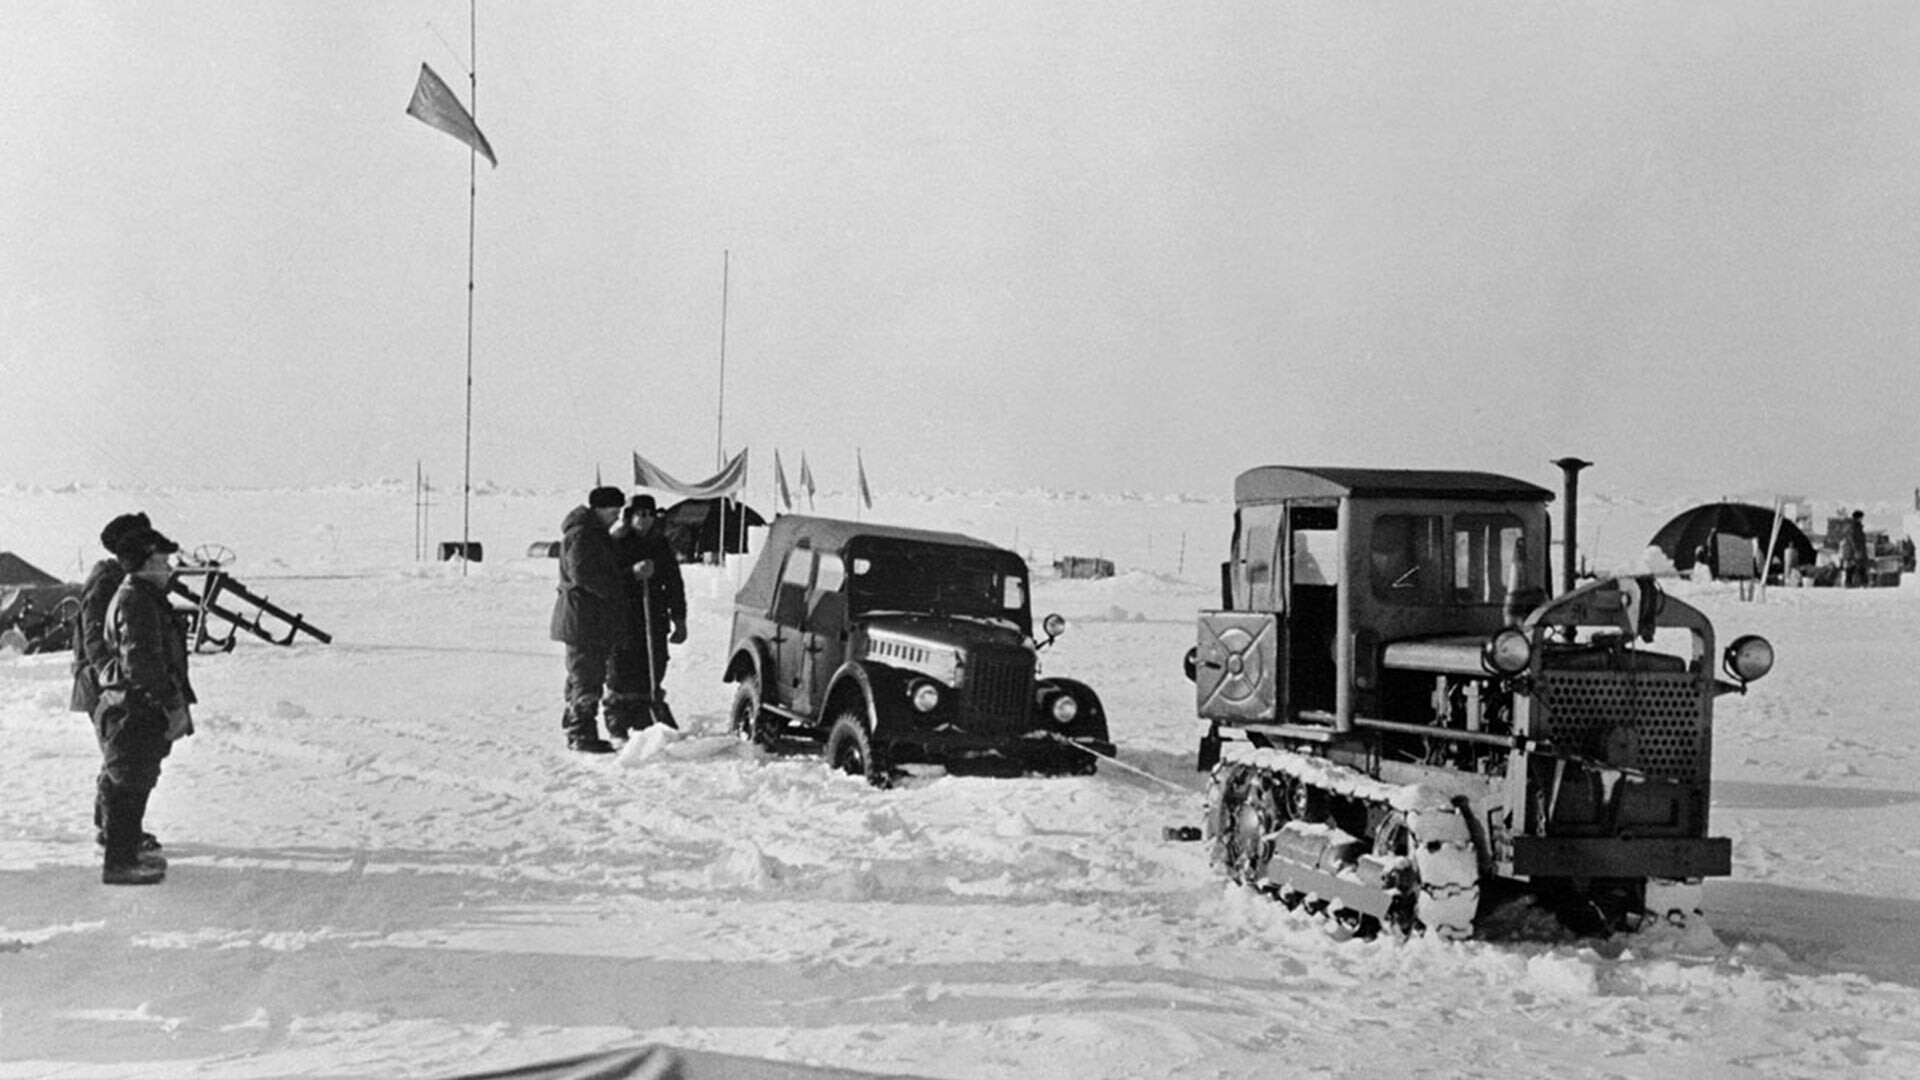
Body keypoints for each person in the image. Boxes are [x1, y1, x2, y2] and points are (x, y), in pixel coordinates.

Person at [93, 521, 195, 885]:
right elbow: (142, 663)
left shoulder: (140, 596)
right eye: (164, 561)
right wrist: (171, 704)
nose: (169, 568)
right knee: (129, 784)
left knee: (136, 779)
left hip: (136, 707)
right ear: (147, 562)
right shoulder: (136, 599)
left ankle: (127, 853)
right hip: (134, 709)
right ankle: (120, 864)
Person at [71, 512, 165, 855]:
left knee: (119, 756)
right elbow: (95, 640)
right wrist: (113, 677)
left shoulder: (120, 580)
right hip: (100, 684)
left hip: (105, 682)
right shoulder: (107, 582)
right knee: (121, 758)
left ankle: (112, 828)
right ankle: (117, 833)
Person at [548, 486, 632, 753]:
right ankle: (581, 733)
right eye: (613, 511)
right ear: (598, 509)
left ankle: (574, 723)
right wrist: (620, 583)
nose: (616, 517)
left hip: (585, 618)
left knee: (581, 674)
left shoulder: (590, 533)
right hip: (584, 618)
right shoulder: (584, 535)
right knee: (587, 675)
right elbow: (584, 573)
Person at [606, 494, 687, 739]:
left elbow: (674, 582)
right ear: (630, 516)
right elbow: (606, 579)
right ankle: (618, 721)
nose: (646, 520)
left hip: (654, 615)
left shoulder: (660, 544)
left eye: (650, 515)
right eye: (641, 514)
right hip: (624, 617)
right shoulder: (616, 543)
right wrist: (632, 573)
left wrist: (680, 619)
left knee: (654, 665)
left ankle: (646, 715)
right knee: (622, 670)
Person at [1845, 510, 1871, 588]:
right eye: (1861, 517)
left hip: (1858, 550)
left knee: (1856, 567)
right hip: (1855, 551)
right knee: (1856, 566)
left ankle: (1859, 583)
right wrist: (1856, 550)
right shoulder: (1853, 527)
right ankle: (1862, 583)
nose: (1862, 519)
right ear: (1857, 518)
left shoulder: (1858, 526)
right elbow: (1852, 539)